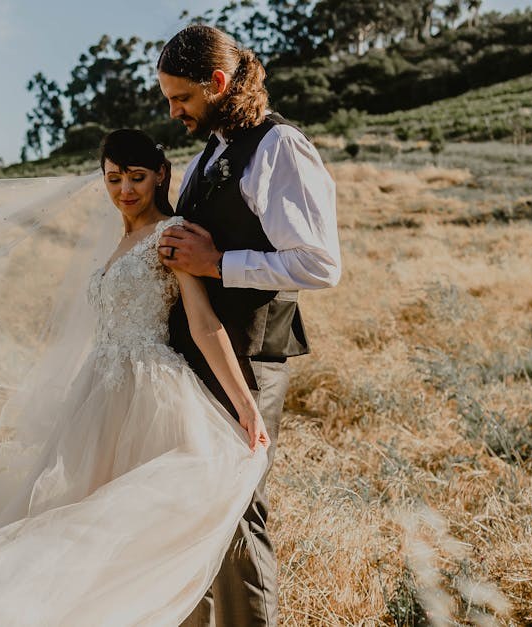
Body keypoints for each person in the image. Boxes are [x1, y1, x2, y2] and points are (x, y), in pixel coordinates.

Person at [0, 129, 278, 626]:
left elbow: (204, 325)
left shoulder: (171, 233)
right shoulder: (120, 240)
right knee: (67, 518)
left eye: (138, 177)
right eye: (114, 178)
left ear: (161, 175)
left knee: (124, 527)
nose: (126, 190)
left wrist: (247, 409)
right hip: (98, 392)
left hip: (150, 393)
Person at [156, 25, 342, 627]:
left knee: (238, 510)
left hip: (252, 357)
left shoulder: (280, 148)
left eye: (181, 97)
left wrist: (217, 264)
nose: (173, 111)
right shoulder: (214, 147)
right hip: (200, 355)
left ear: (217, 83)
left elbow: (320, 264)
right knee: (197, 507)